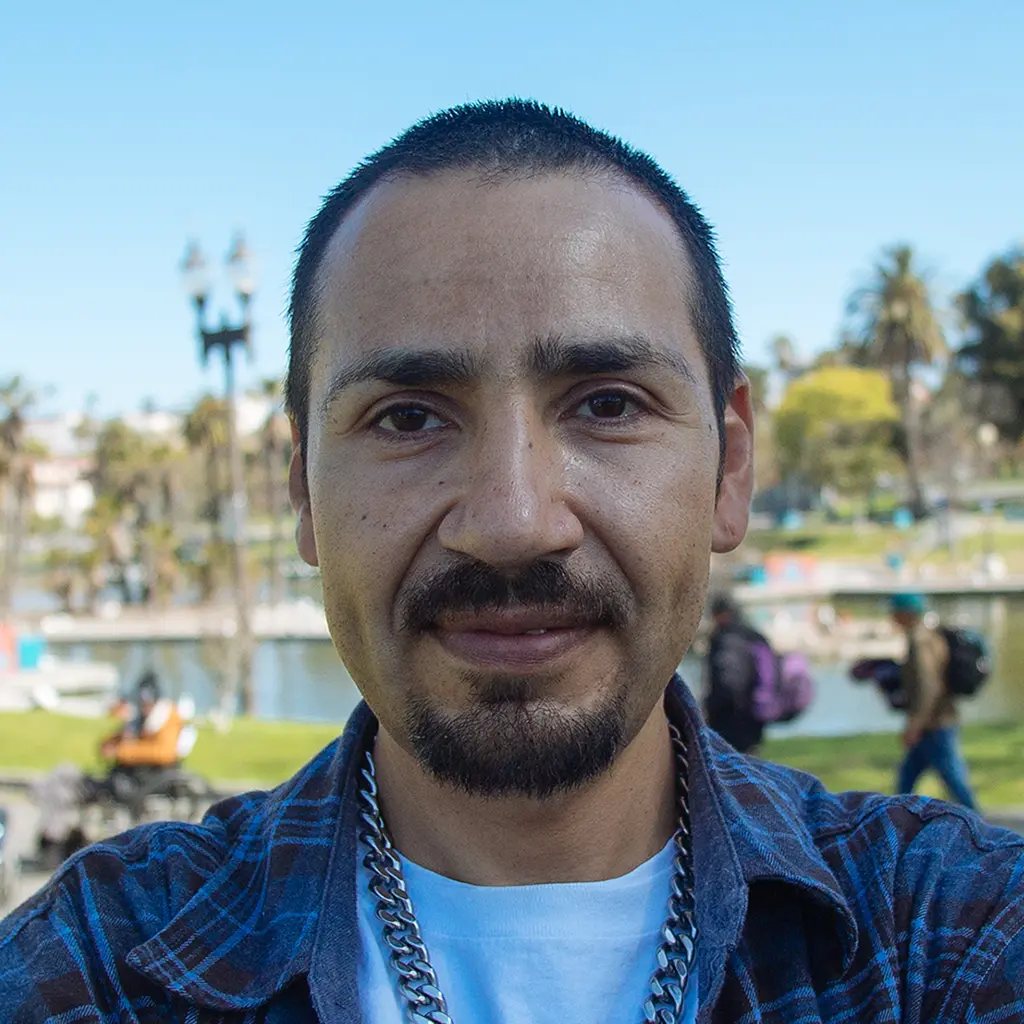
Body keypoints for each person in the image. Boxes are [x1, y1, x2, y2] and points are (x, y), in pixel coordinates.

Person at [1, 100, 1022, 1022]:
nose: (513, 520)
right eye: (407, 417)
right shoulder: (98, 969)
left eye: (608, 404)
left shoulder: (952, 937)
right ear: (303, 489)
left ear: (729, 466)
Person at [890, 592, 978, 809]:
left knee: (954, 781)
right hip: (934, 722)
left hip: (937, 723)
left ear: (907, 614)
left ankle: (981, 827)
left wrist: (915, 725)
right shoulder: (926, 636)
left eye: (895, 611)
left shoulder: (921, 642)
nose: (891, 616)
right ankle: (894, 821)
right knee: (906, 778)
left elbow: (928, 686)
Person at [702, 594, 765, 753]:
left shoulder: (727, 639)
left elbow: (728, 682)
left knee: (731, 768)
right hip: (754, 715)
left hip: (732, 719)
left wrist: (710, 710)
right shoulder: (753, 635)